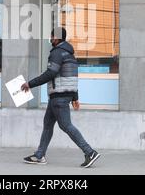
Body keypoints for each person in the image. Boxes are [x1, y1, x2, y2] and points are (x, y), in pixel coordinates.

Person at [21, 27, 101, 168]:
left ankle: (90, 152)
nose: (50, 39)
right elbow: (73, 77)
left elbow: (50, 73)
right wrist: (75, 97)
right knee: (48, 124)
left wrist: (30, 84)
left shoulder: (57, 53)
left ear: (56, 38)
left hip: (59, 96)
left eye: (51, 36)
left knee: (66, 125)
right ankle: (39, 155)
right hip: (62, 96)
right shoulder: (70, 54)